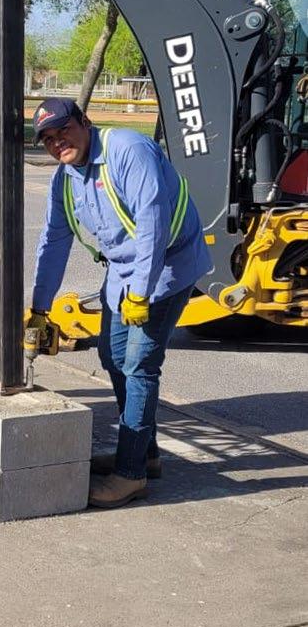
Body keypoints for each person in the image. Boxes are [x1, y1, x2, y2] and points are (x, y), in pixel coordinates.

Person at [26, 97, 211, 509]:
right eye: (48, 139)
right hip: (125, 269)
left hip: (168, 264)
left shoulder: (128, 150)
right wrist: (39, 309)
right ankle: (145, 453)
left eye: (64, 130)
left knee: (139, 364)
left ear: (85, 121)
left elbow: (152, 224)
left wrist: (142, 293)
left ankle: (131, 474)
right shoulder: (65, 180)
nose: (58, 143)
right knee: (111, 355)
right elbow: (53, 241)